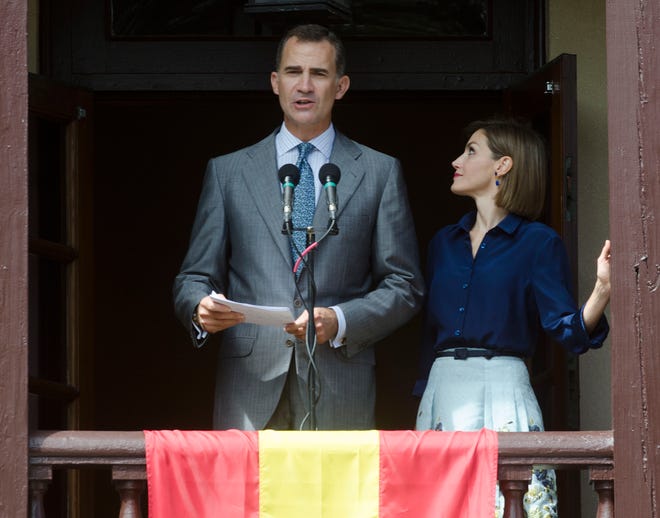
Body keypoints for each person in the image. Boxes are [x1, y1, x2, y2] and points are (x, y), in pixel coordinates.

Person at [173, 24, 424, 431]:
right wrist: (200, 309)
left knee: (335, 498)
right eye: (293, 72)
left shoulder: (379, 171)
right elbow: (193, 276)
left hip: (340, 383)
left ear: (340, 86)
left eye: (319, 74)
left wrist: (340, 320)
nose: (304, 85)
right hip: (250, 388)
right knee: (248, 498)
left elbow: (404, 284)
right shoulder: (228, 172)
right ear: (275, 82)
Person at [414, 118, 611, 517]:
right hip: (442, 388)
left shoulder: (538, 243)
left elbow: (568, 332)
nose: (457, 160)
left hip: (504, 387)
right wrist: (422, 395)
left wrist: (602, 291)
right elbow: (427, 334)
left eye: (471, 151)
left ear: (502, 165)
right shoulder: (443, 243)